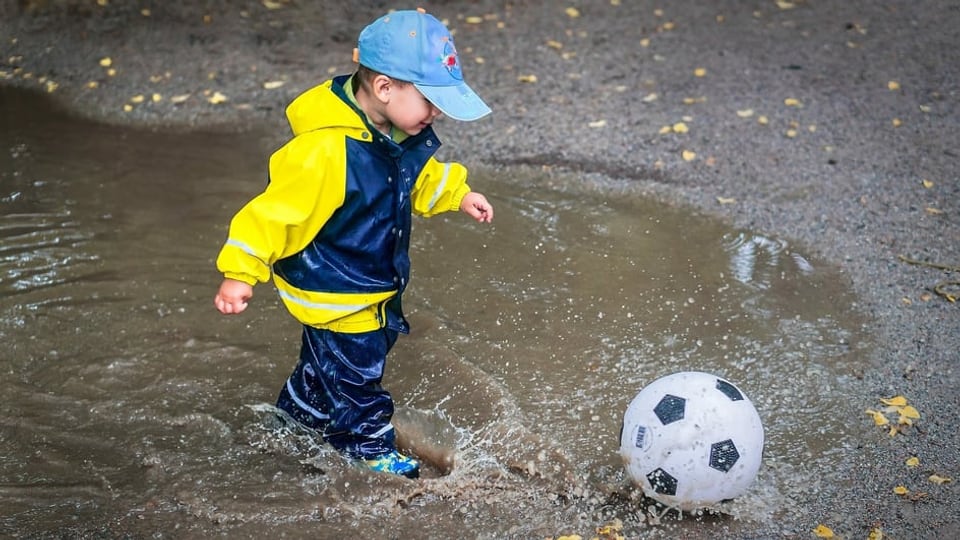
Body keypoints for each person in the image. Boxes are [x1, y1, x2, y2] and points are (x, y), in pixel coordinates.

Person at [213, 8, 493, 479]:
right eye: (430, 99)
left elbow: (415, 180)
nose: (437, 112)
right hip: (340, 290)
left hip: (360, 284)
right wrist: (240, 273)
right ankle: (366, 449)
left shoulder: (392, 133)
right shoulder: (325, 150)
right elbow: (272, 213)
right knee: (360, 380)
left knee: (324, 365)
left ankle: (295, 418)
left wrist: (458, 195)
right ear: (385, 88)